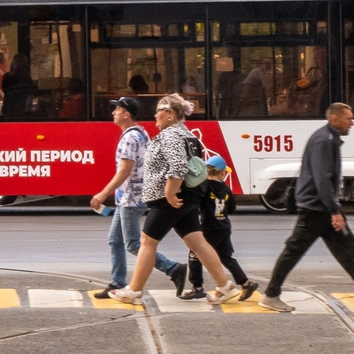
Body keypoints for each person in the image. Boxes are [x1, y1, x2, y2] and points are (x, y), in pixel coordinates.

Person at [107, 95, 254, 305]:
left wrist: (169, 193)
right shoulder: (185, 134)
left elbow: (177, 166)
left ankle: (134, 291)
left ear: (169, 115)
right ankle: (226, 286)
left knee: (147, 242)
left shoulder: (170, 136)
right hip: (187, 196)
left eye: (159, 111)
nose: (155, 115)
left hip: (171, 199)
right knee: (197, 242)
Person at [253, 103, 354, 312]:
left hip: (319, 206)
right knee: (294, 250)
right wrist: (334, 211)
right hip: (315, 208)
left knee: (347, 246)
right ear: (335, 119)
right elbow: (323, 179)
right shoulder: (324, 141)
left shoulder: (328, 138)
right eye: (348, 118)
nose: (352, 123)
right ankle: (271, 295)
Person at [89, 100, 186, 299]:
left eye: (117, 109)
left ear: (127, 114)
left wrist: (103, 193)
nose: (113, 112)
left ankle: (173, 268)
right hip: (129, 196)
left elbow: (125, 170)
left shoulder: (131, 137)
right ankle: (117, 282)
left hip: (132, 197)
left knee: (133, 243)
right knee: (115, 240)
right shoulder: (139, 133)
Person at [181, 152, 252, 301]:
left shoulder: (204, 187)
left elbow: (196, 204)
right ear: (222, 173)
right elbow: (232, 208)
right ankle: (245, 283)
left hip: (208, 227)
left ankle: (197, 287)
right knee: (226, 257)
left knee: (195, 253)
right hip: (224, 227)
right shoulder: (227, 189)